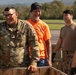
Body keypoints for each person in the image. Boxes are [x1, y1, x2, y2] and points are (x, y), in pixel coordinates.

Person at [0, 7, 40, 72]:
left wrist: (34, 63)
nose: (7, 17)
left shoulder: (26, 26)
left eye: (10, 15)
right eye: (5, 15)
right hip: (3, 68)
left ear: (16, 14)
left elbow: (34, 45)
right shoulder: (1, 27)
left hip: (22, 68)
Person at [27, 2, 52, 66]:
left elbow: (48, 43)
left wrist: (49, 59)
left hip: (41, 57)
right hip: (28, 56)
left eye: (39, 11)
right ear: (31, 12)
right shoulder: (26, 24)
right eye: (35, 11)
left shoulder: (44, 25)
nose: (37, 13)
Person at [52, 10, 76, 75]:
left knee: (72, 72)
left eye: (66, 15)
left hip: (74, 55)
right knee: (64, 72)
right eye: (63, 15)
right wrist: (54, 52)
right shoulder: (63, 28)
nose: (64, 17)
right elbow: (60, 41)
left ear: (71, 16)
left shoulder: (75, 27)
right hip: (65, 55)